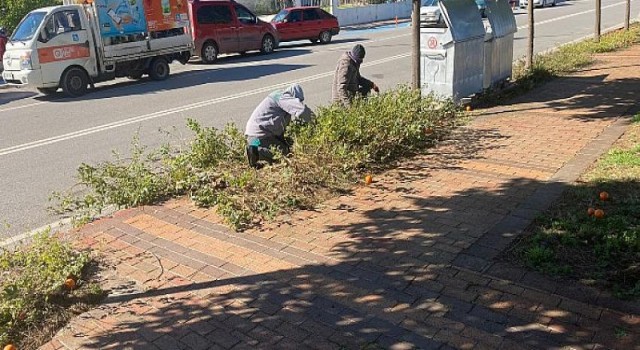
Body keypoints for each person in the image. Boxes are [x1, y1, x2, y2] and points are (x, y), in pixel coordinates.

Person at [245, 83, 314, 168]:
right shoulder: (283, 97)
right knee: (285, 155)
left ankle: (256, 152)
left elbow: (280, 132)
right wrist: (316, 123)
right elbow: (302, 110)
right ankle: (257, 152)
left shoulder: (279, 103)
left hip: (255, 136)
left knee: (286, 147)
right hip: (260, 136)